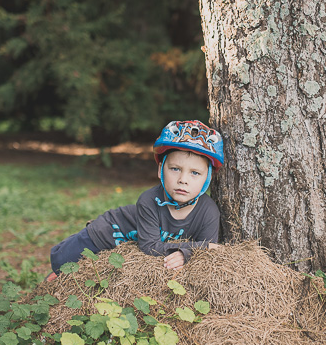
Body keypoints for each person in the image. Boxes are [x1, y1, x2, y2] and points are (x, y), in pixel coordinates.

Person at [47, 120, 223, 279]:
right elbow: (150, 247)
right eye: (175, 169)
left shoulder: (208, 211)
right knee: (60, 262)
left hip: (130, 245)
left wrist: (186, 253)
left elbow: (208, 251)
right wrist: (196, 248)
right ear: (161, 169)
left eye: (195, 173)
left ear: (207, 179)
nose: (183, 179)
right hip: (108, 233)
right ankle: (55, 275)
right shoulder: (149, 200)